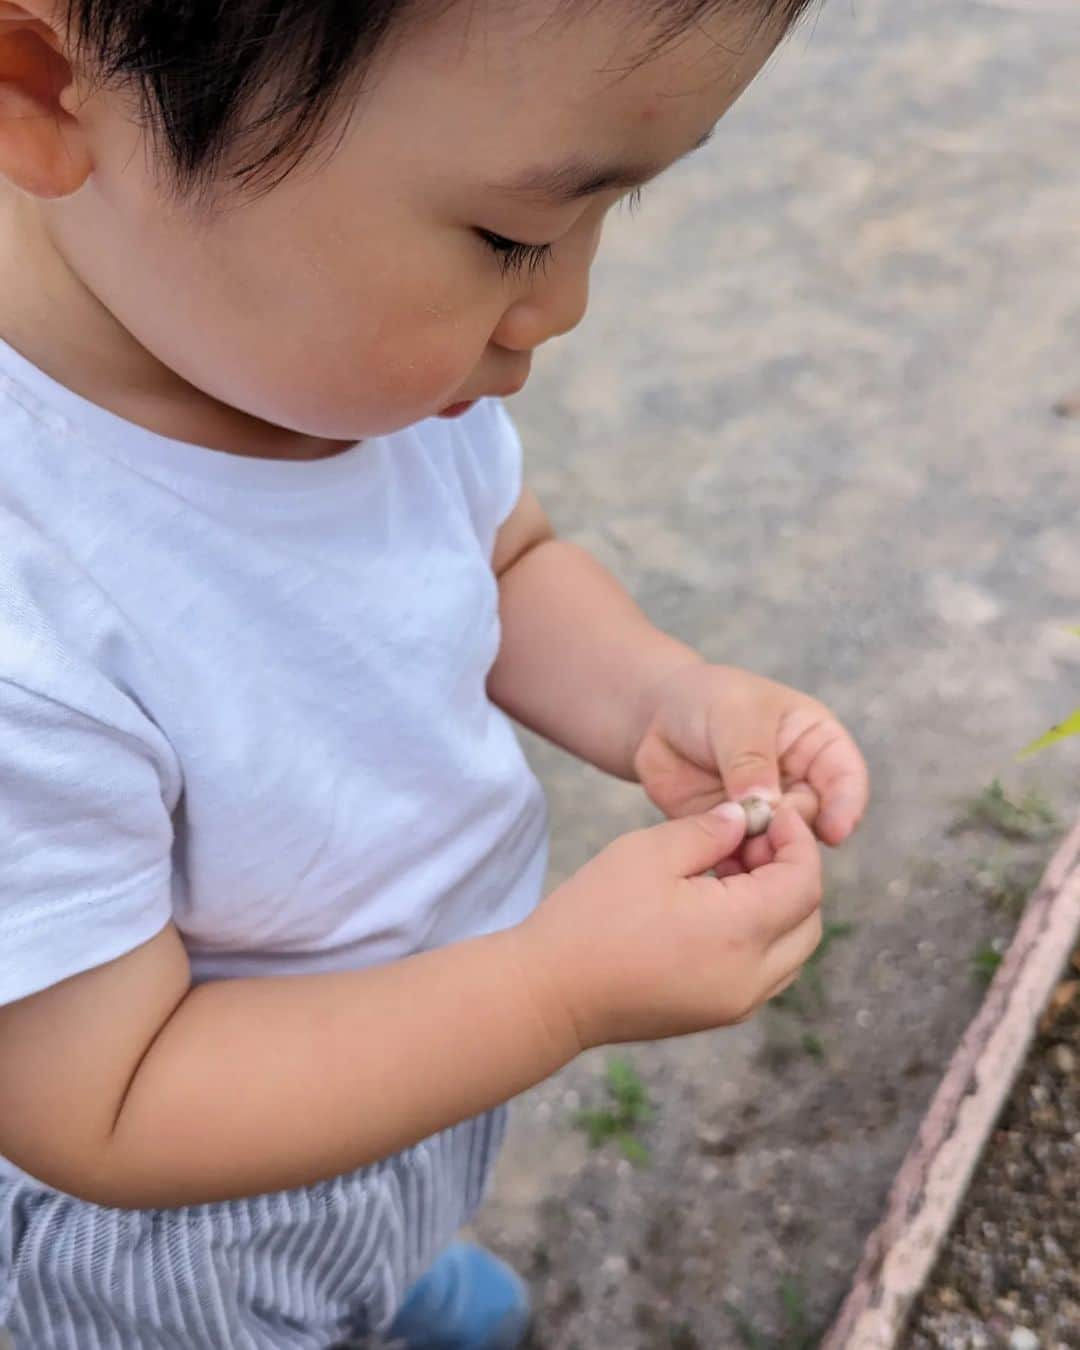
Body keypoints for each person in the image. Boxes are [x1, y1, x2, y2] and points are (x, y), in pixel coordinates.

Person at [0, 1, 870, 1346]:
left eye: (608, 212)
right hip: (176, 1249)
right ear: (50, 90)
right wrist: (553, 990)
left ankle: (385, 1273)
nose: (566, 304)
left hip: (418, 1068)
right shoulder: (31, 612)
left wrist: (660, 693)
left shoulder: (343, 375)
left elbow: (502, 560)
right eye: (513, 234)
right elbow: (104, 1102)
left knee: (396, 1211)